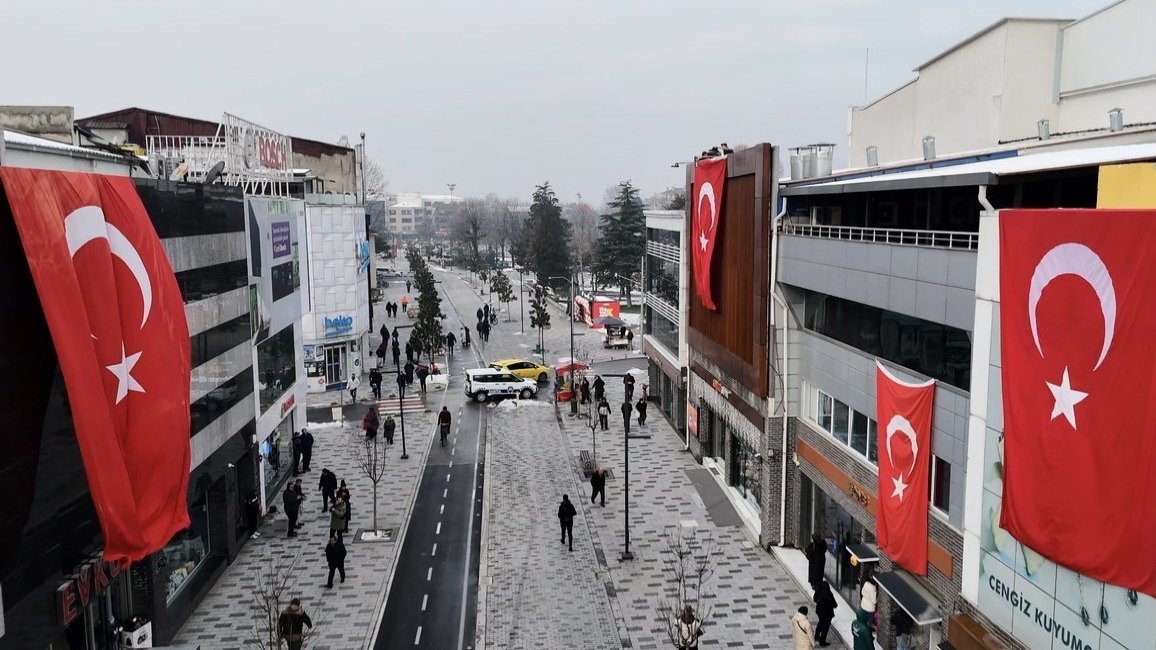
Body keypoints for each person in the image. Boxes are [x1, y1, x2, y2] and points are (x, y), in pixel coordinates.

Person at [813, 580, 837, 647]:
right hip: (828, 614)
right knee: (825, 628)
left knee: (820, 623)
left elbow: (815, 599)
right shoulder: (829, 595)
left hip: (819, 612)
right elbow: (835, 605)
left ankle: (816, 636)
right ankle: (822, 642)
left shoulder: (818, 592)